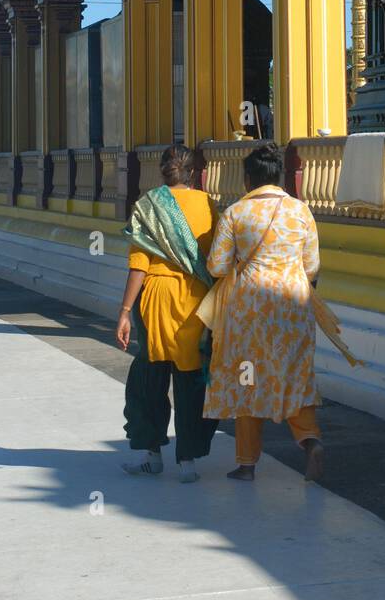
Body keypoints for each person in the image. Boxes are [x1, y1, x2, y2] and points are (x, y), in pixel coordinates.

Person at [204, 140, 324, 483]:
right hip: (293, 307)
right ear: (279, 176)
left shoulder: (235, 213)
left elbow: (216, 266)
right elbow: (312, 267)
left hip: (249, 310)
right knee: (295, 376)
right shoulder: (301, 211)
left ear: (248, 179)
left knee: (248, 380)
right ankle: (310, 441)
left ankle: (246, 464)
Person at [115, 145, 219, 483]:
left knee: (150, 378)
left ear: (162, 171)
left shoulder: (148, 206)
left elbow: (139, 265)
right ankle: (188, 461)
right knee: (191, 379)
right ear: (193, 172)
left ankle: (152, 454)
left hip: (156, 298)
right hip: (196, 300)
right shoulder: (207, 204)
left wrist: (125, 311)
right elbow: (218, 260)